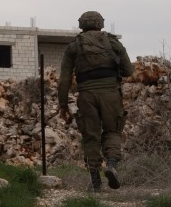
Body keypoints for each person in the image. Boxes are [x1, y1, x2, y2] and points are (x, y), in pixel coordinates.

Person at [57, 10, 133, 191]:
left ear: (81, 25)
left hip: (86, 95)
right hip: (111, 94)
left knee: (91, 137)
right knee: (113, 132)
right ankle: (112, 165)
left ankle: (95, 182)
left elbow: (64, 80)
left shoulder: (73, 47)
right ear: (101, 24)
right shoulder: (113, 42)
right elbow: (129, 70)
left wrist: (63, 105)